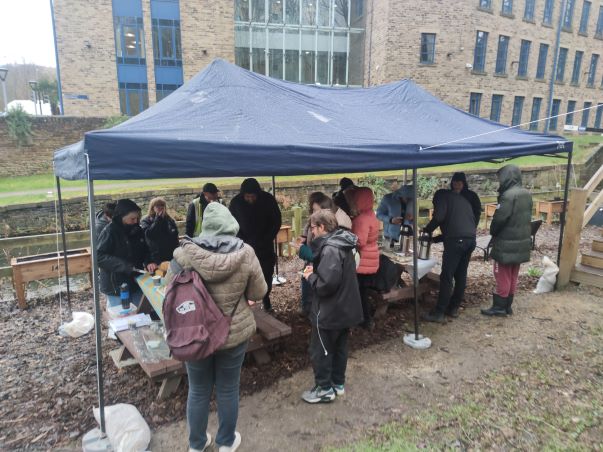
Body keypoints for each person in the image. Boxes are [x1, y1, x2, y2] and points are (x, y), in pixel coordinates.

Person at [165, 202, 267, 452]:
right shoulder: (247, 253)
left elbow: (169, 294)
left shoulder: (183, 255)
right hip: (233, 332)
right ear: (231, 225)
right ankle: (226, 442)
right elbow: (259, 292)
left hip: (196, 334)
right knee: (228, 388)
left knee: (198, 390)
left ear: (205, 227)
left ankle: (197, 444)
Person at [301, 209, 363, 403]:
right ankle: (338, 383)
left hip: (329, 311)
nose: (311, 232)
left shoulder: (330, 249)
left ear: (322, 227)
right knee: (339, 348)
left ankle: (324, 389)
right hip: (345, 309)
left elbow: (326, 285)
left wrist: (310, 276)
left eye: (312, 228)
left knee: (321, 351)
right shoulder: (343, 243)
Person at [422, 173, 481, 322]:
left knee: (447, 276)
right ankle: (453, 308)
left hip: (457, 241)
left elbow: (439, 217)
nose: (435, 208)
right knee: (460, 274)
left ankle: (439, 313)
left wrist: (427, 230)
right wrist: (436, 239)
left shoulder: (442, 197)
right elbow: (457, 226)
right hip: (470, 240)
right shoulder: (461, 201)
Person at [481, 165, 533, 317]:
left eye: (500, 178)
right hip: (521, 242)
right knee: (513, 273)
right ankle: (508, 306)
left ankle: (499, 307)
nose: (499, 181)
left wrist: (493, 230)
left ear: (506, 177)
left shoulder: (508, 196)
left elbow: (499, 220)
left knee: (501, 273)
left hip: (505, 243)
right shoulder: (526, 194)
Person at [229, 178, 282, 312]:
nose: (250, 199)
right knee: (244, 275)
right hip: (244, 247)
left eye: (253, 196)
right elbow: (231, 225)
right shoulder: (236, 203)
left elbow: (276, 221)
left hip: (264, 246)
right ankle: (245, 302)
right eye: (247, 197)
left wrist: (267, 238)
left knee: (266, 273)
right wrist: (241, 241)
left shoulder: (268, 200)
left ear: (257, 194)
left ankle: (266, 298)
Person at [297, 192, 352, 317]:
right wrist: (305, 238)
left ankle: (313, 311)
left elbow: (325, 284)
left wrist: (303, 252)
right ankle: (309, 308)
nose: (313, 214)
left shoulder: (331, 249)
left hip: (331, 318)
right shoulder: (327, 236)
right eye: (312, 210)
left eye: (316, 210)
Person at [97, 199, 155, 309]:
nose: (136, 221)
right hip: (115, 286)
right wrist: (123, 266)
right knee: (121, 319)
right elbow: (98, 257)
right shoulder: (110, 231)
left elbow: (146, 250)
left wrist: (149, 261)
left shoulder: (138, 230)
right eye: (132, 219)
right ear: (121, 217)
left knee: (139, 314)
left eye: (137, 218)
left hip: (136, 281)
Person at [347, 187, 380, 329]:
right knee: (364, 291)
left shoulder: (361, 219)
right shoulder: (372, 214)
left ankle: (365, 320)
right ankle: (367, 318)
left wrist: (347, 236)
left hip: (363, 259)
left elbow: (360, 241)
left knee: (360, 292)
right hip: (372, 256)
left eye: (355, 200)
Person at [140, 197, 179, 264]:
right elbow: (150, 234)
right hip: (155, 257)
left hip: (170, 255)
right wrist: (158, 219)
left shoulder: (169, 219)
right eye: (157, 205)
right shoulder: (146, 220)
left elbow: (175, 235)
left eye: (162, 205)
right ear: (152, 207)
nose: (160, 207)